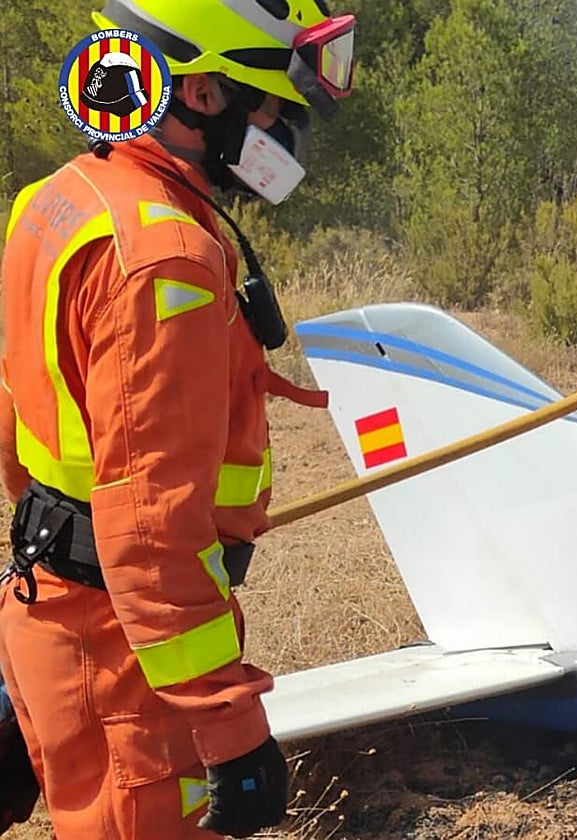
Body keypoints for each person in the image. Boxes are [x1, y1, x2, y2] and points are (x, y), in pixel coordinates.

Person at [0, 1, 355, 837]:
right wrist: (230, 730)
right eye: (270, 105)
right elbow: (153, 531)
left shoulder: (58, 200)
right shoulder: (167, 261)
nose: (278, 132)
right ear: (201, 92)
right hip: (128, 665)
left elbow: (22, 429)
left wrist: (51, 569)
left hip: (58, 606)